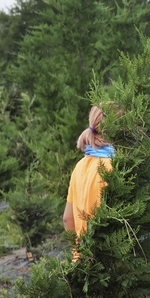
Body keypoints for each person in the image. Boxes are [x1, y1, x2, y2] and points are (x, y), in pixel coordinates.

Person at [63, 105, 114, 246]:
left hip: (84, 258)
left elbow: (68, 218)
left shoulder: (80, 166)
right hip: (114, 261)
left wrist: (77, 252)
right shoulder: (116, 166)